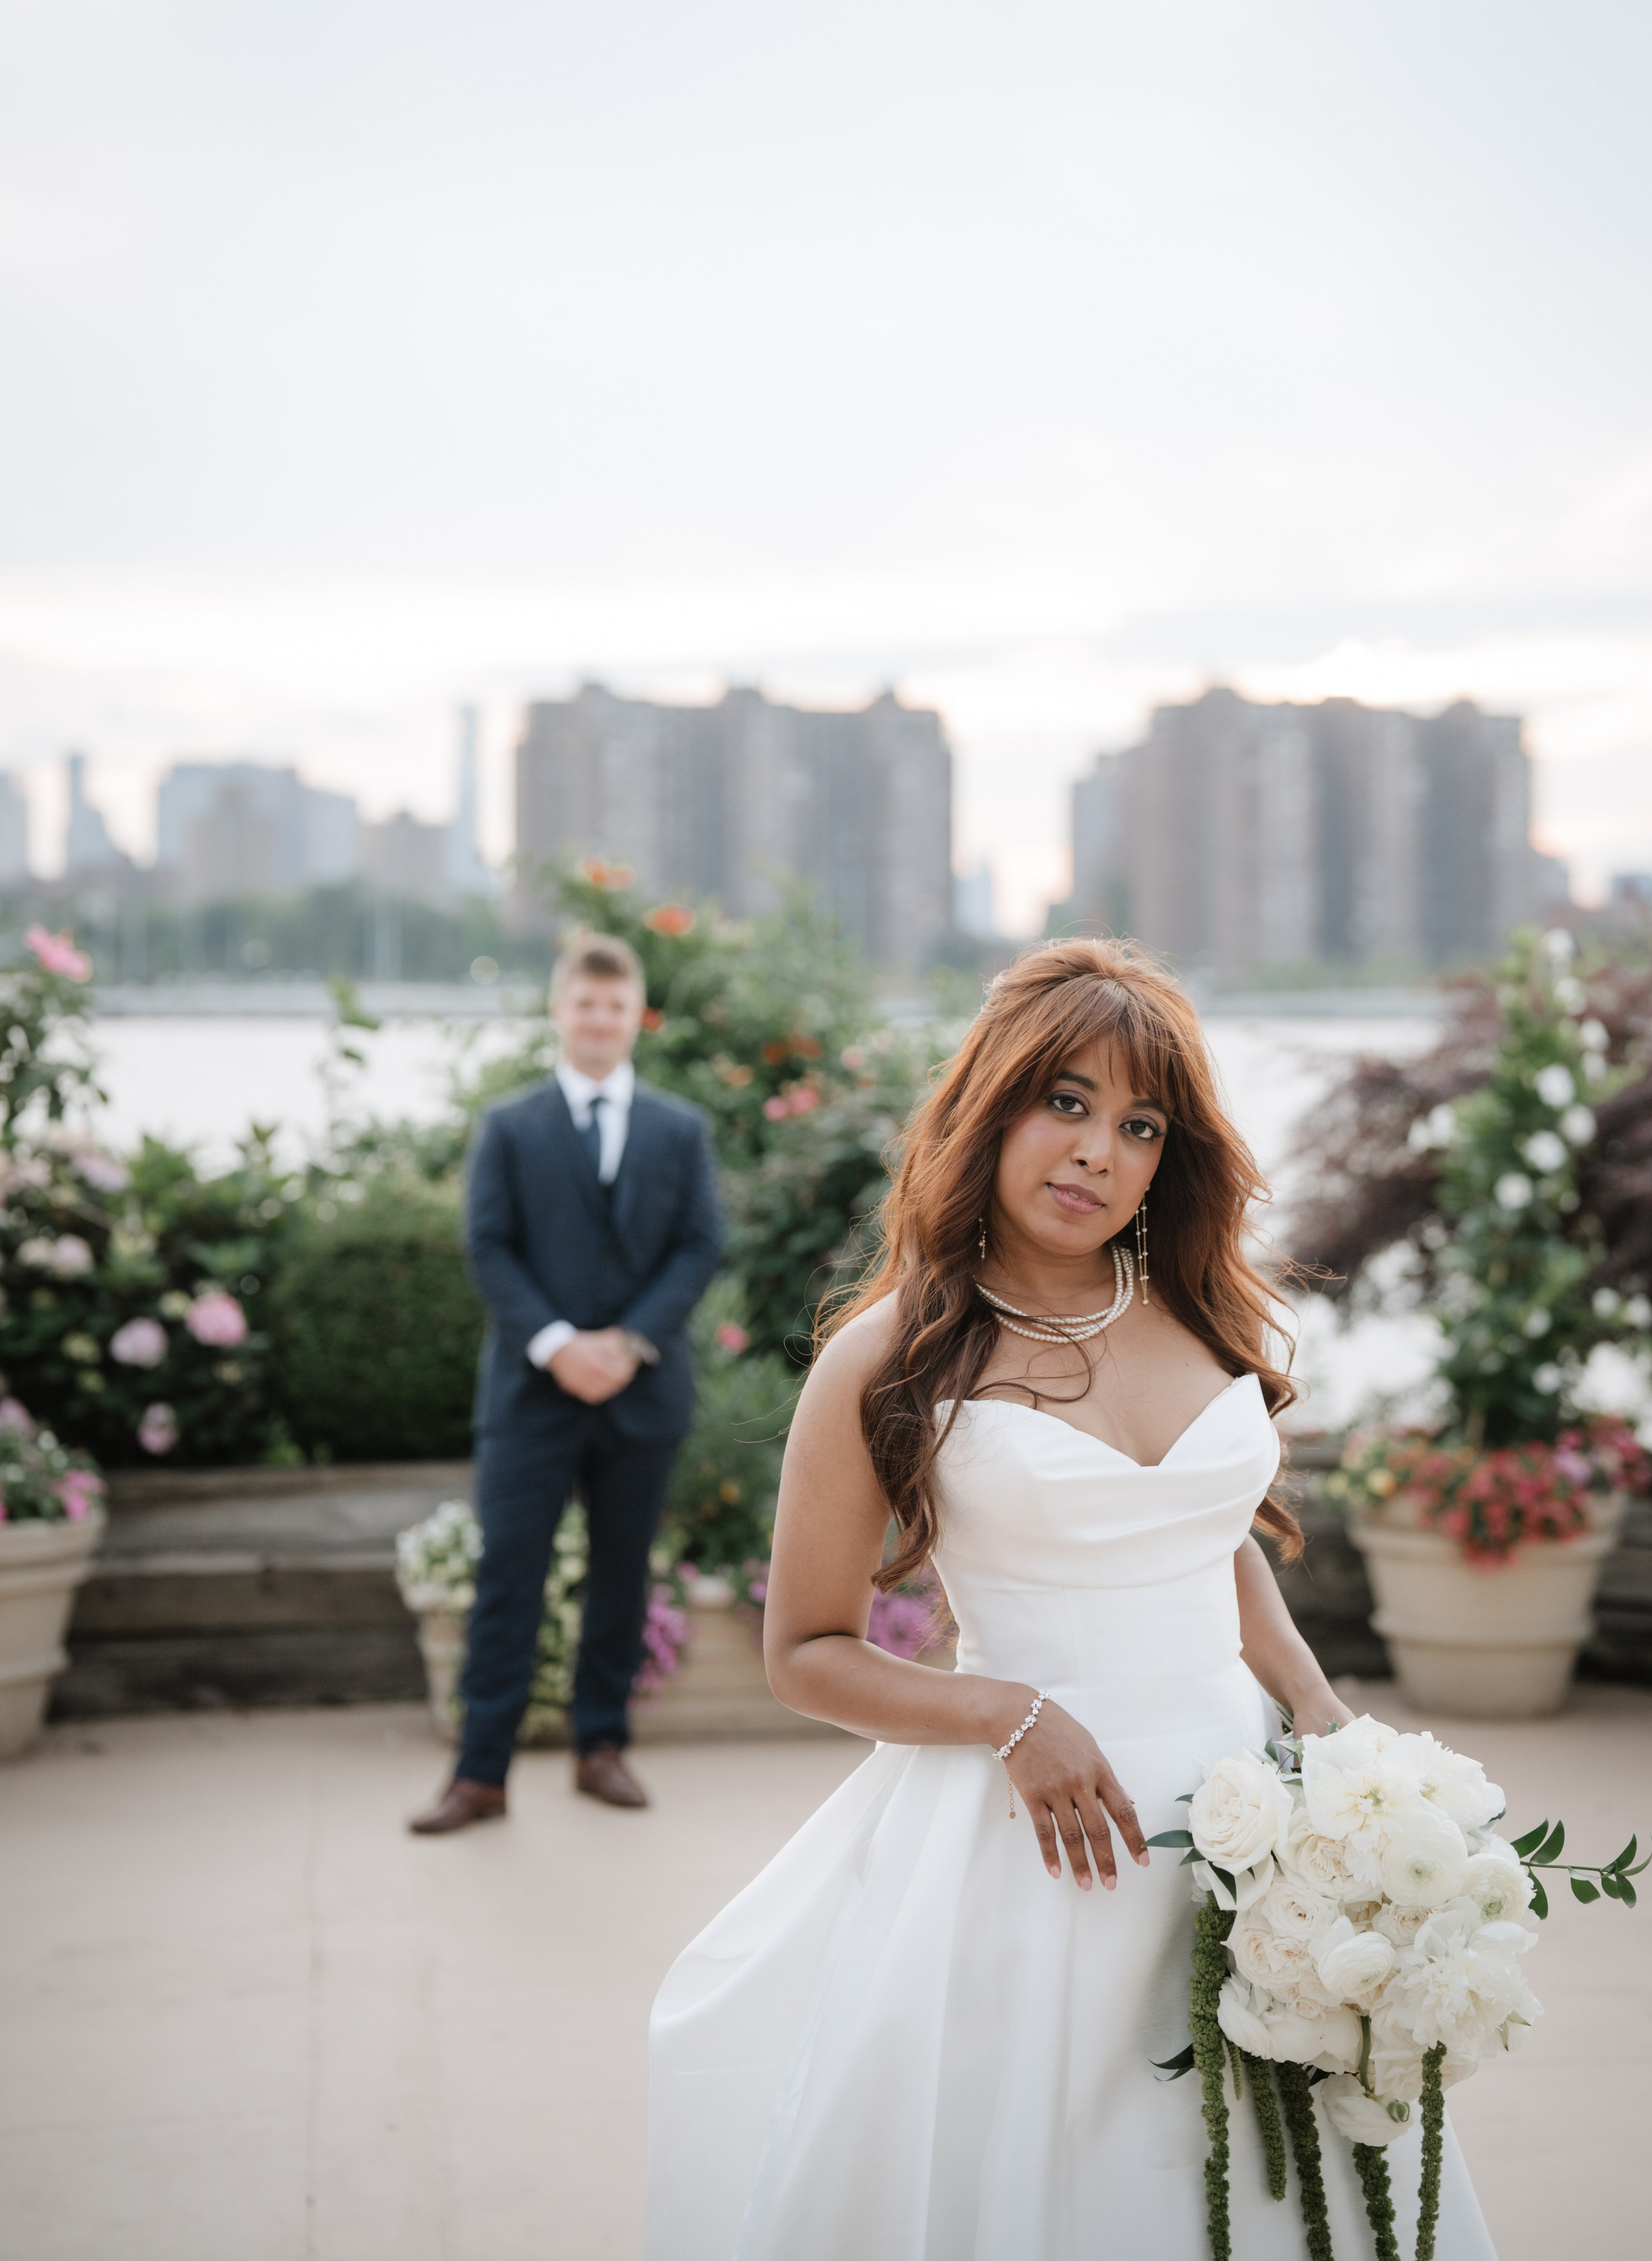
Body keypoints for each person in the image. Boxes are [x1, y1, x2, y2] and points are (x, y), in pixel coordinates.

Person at [644, 940, 1495, 2258]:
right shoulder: (888, 1358)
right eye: (1066, 1102)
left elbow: (1207, 1537)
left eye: (1139, 1124)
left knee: (1272, 2175)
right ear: (991, 1105)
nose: (1099, 1150)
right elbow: (804, 1652)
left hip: (1250, 1826)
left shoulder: (1197, 1312)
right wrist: (1007, 1714)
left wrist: (1325, 1722)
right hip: (1041, 1846)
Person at [410, 932, 721, 1835]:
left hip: (642, 1391)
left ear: (635, 1017)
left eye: (615, 1005)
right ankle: (479, 1775)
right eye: (584, 1003)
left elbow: (698, 1245)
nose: (598, 1019)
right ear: (560, 1010)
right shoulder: (509, 1126)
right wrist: (557, 1344)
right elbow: (488, 1246)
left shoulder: (680, 1128)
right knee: (510, 1577)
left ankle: (602, 1748)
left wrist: (627, 1343)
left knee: (622, 1580)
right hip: (530, 1394)